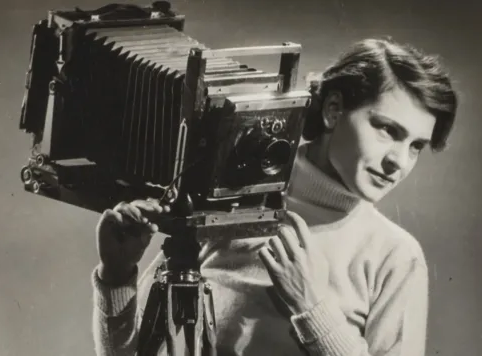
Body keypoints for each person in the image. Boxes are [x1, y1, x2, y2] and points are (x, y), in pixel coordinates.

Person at [90, 37, 459, 356]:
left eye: (416, 146)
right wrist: (117, 277)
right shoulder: (225, 201)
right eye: (387, 130)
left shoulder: (395, 257)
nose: (398, 161)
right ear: (333, 110)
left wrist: (312, 307)